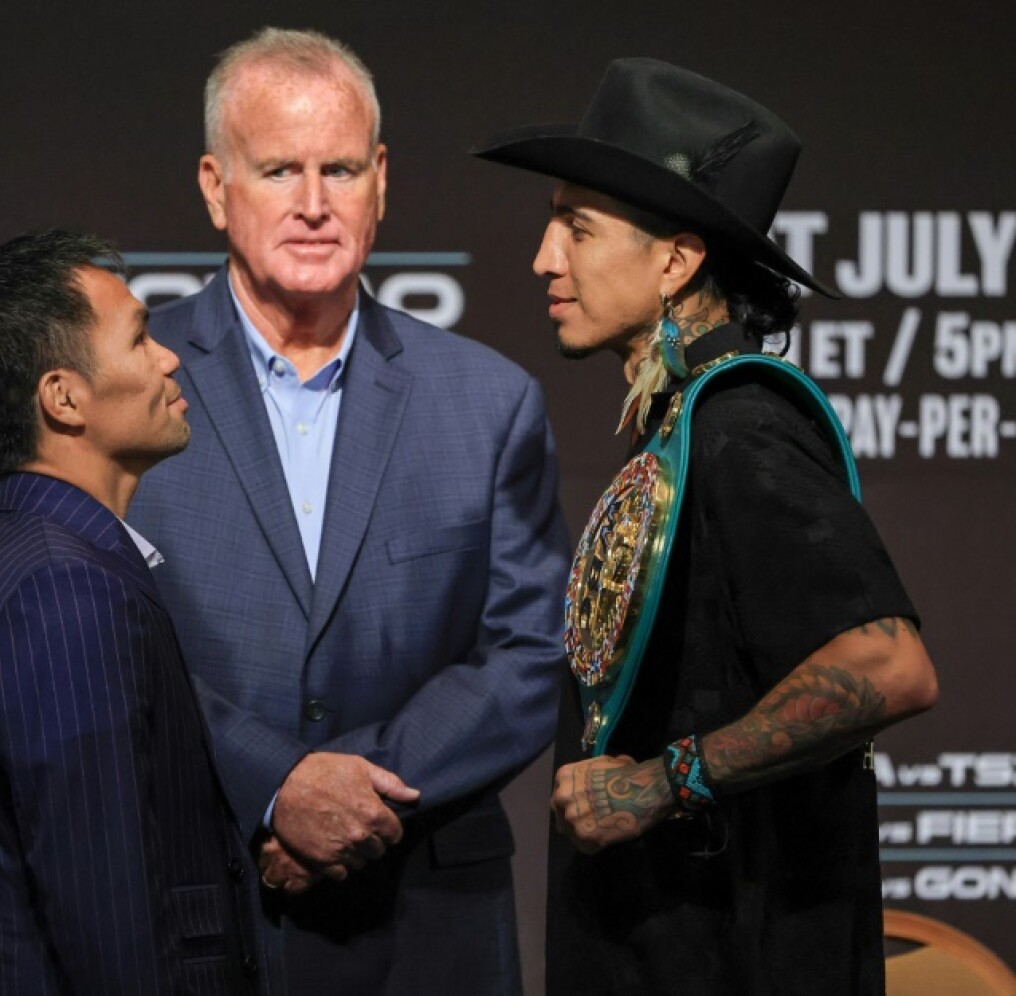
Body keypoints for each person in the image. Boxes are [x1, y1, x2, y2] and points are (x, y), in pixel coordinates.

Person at [474, 59, 939, 994]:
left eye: (577, 226)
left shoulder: (742, 427)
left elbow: (889, 665)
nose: (543, 258)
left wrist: (662, 782)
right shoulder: (687, 424)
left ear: (677, 261)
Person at [127, 27, 569, 996]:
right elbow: (99, 641)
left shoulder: (490, 402)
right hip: (199, 908)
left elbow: (530, 655)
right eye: (279, 169)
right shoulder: (122, 385)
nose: (314, 205)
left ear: (381, 181)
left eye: (340, 169)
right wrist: (273, 787)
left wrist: (348, 792)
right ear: (214, 186)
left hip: (430, 929)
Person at [0, 229, 263, 995]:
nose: (170, 357)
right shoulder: (63, 589)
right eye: (140, 338)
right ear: (64, 397)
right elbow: (110, 919)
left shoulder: (18, 557)